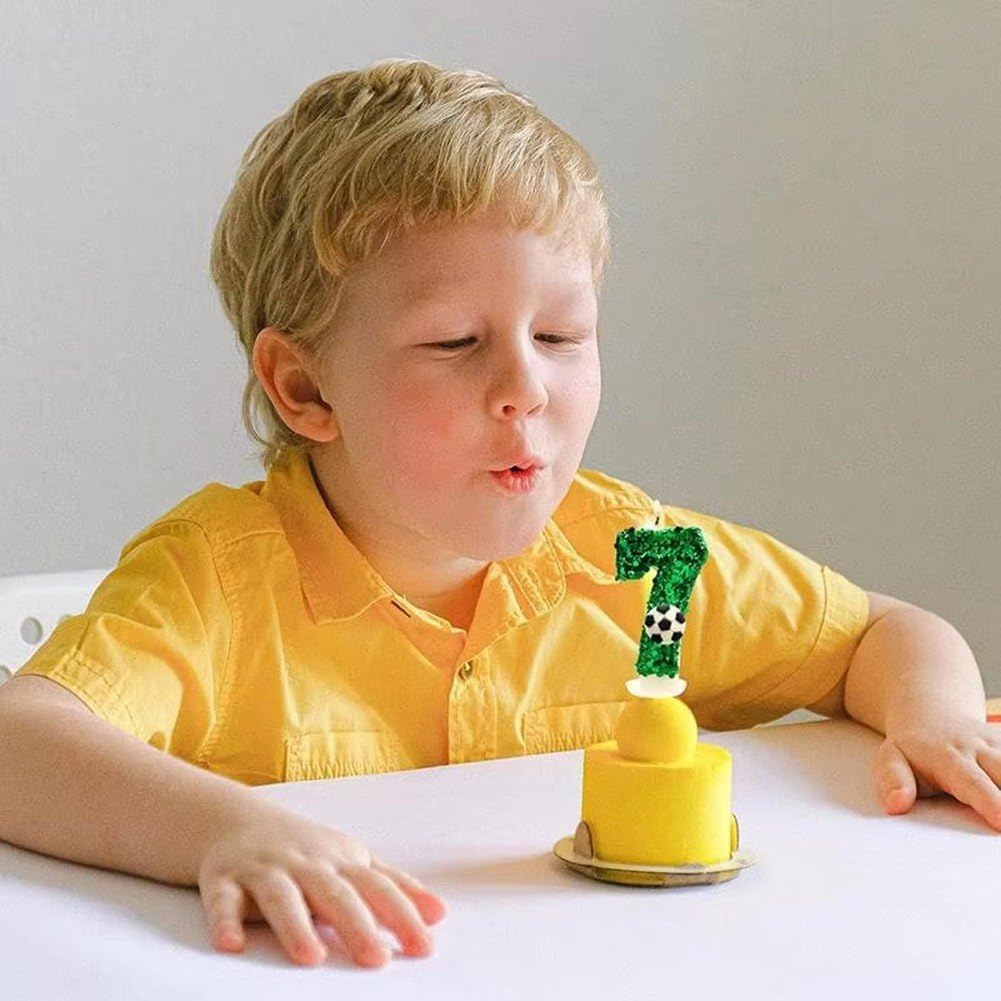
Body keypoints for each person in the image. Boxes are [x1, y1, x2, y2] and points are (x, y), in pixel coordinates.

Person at [1, 58, 995, 972]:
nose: (525, 387)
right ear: (303, 387)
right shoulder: (218, 586)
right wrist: (227, 828)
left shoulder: (646, 566)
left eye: (560, 334)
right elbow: (18, 744)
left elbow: (880, 634)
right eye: (453, 342)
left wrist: (938, 717)